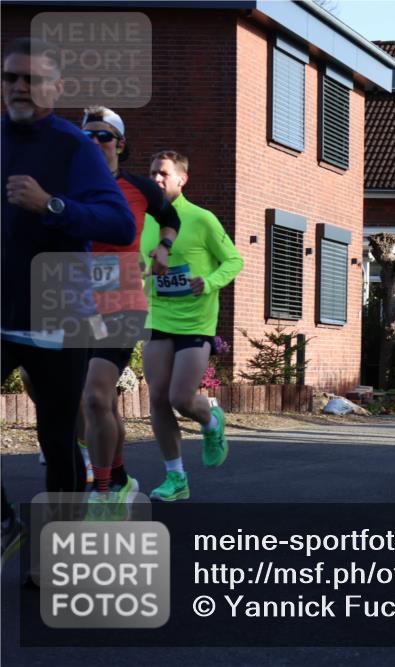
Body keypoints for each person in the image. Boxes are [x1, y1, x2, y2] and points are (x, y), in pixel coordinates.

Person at [1, 37, 134, 505]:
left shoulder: (74, 147)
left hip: (57, 312)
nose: (19, 87)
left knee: (57, 439)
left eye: (31, 79)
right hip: (4, 308)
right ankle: (3, 522)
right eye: (11, 77)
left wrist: (51, 205)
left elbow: (119, 224)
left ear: (56, 88)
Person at [78, 106, 182, 517]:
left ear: (120, 143)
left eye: (103, 136)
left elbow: (169, 216)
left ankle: (103, 492)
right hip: (72, 302)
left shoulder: (139, 188)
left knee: (95, 396)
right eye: (86, 136)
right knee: (90, 405)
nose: (95, 143)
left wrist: (164, 245)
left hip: (122, 304)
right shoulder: (68, 187)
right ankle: (119, 478)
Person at [143, 150, 243, 501]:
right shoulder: (143, 220)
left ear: (181, 179)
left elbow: (234, 260)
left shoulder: (202, 220)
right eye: (152, 172)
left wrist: (210, 281)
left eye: (163, 174)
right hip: (157, 316)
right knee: (156, 398)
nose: (156, 178)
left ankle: (212, 420)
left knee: (180, 398)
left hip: (196, 322)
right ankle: (176, 477)